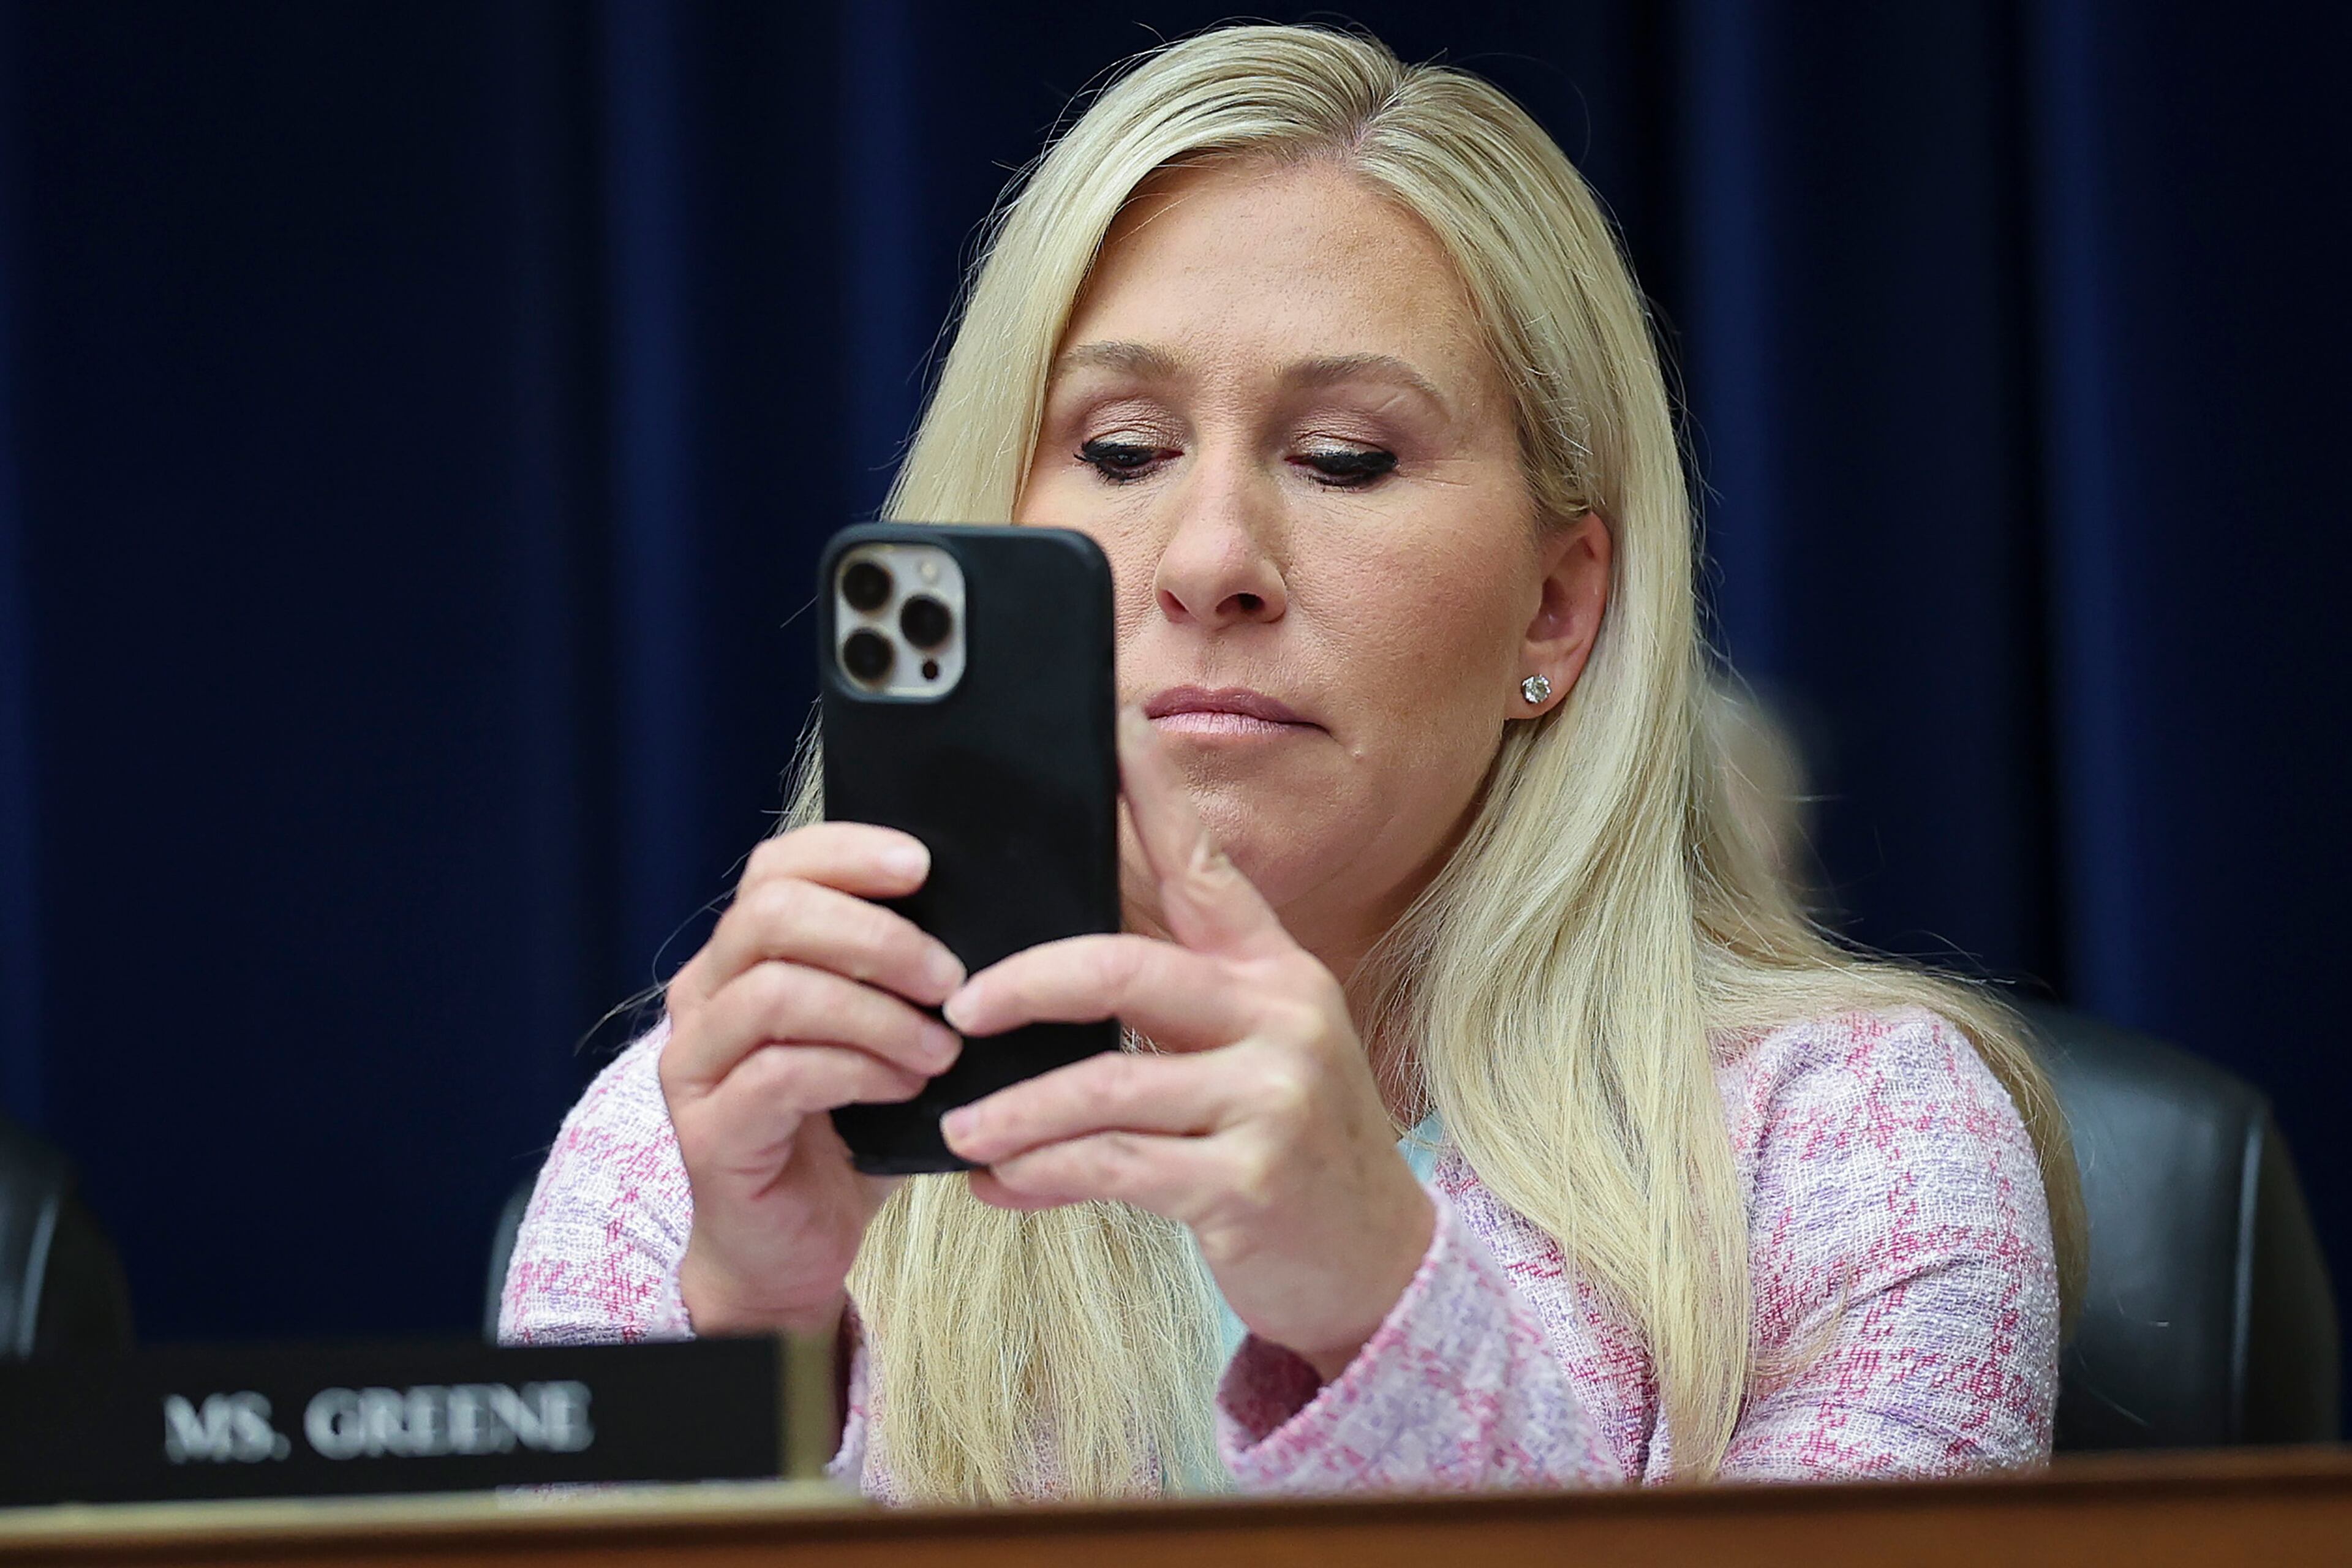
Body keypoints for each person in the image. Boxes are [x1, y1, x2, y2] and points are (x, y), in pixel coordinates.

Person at [501, 23, 2082, 1504]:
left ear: (1555, 604)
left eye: (1345, 460)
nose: (1211, 561)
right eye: (1121, 450)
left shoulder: (1860, 1141)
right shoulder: (691, 1142)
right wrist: (752, 1355)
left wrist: (1379, 1303)